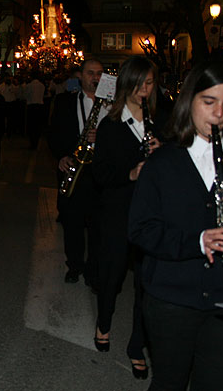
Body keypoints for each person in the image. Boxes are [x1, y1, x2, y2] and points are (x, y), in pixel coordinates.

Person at [128, 61, 223, 391]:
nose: (218, 114)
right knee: (170, 382)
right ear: (189, 101)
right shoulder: (162, 163)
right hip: (171, 300)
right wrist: (197, 242)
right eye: (209, 102)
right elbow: (140, 230)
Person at [92, 56, 162, 379]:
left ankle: (137, 345)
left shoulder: (158, 121)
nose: (144, 90)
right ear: (126, 84)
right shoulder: (110, 124)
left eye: (149, 83)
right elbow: (101, 173)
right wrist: (130, 173)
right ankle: (103, 322)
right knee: (112, 275)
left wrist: (162, 153)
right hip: (118, 211)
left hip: (150, 214)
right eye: (139, 83)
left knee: (146, 285)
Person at [48, 59, 108, 288]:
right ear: (80, 76)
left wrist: (101, 138)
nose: (96, 78)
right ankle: (74, 266)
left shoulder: (112, 106)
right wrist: (61, 156)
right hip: (73, 168)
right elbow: (53, 134)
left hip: (100, 173)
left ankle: (93, 270)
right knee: (72, 224)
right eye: (91, 73)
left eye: (100, 74)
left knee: (97, 227)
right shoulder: (65, 101)